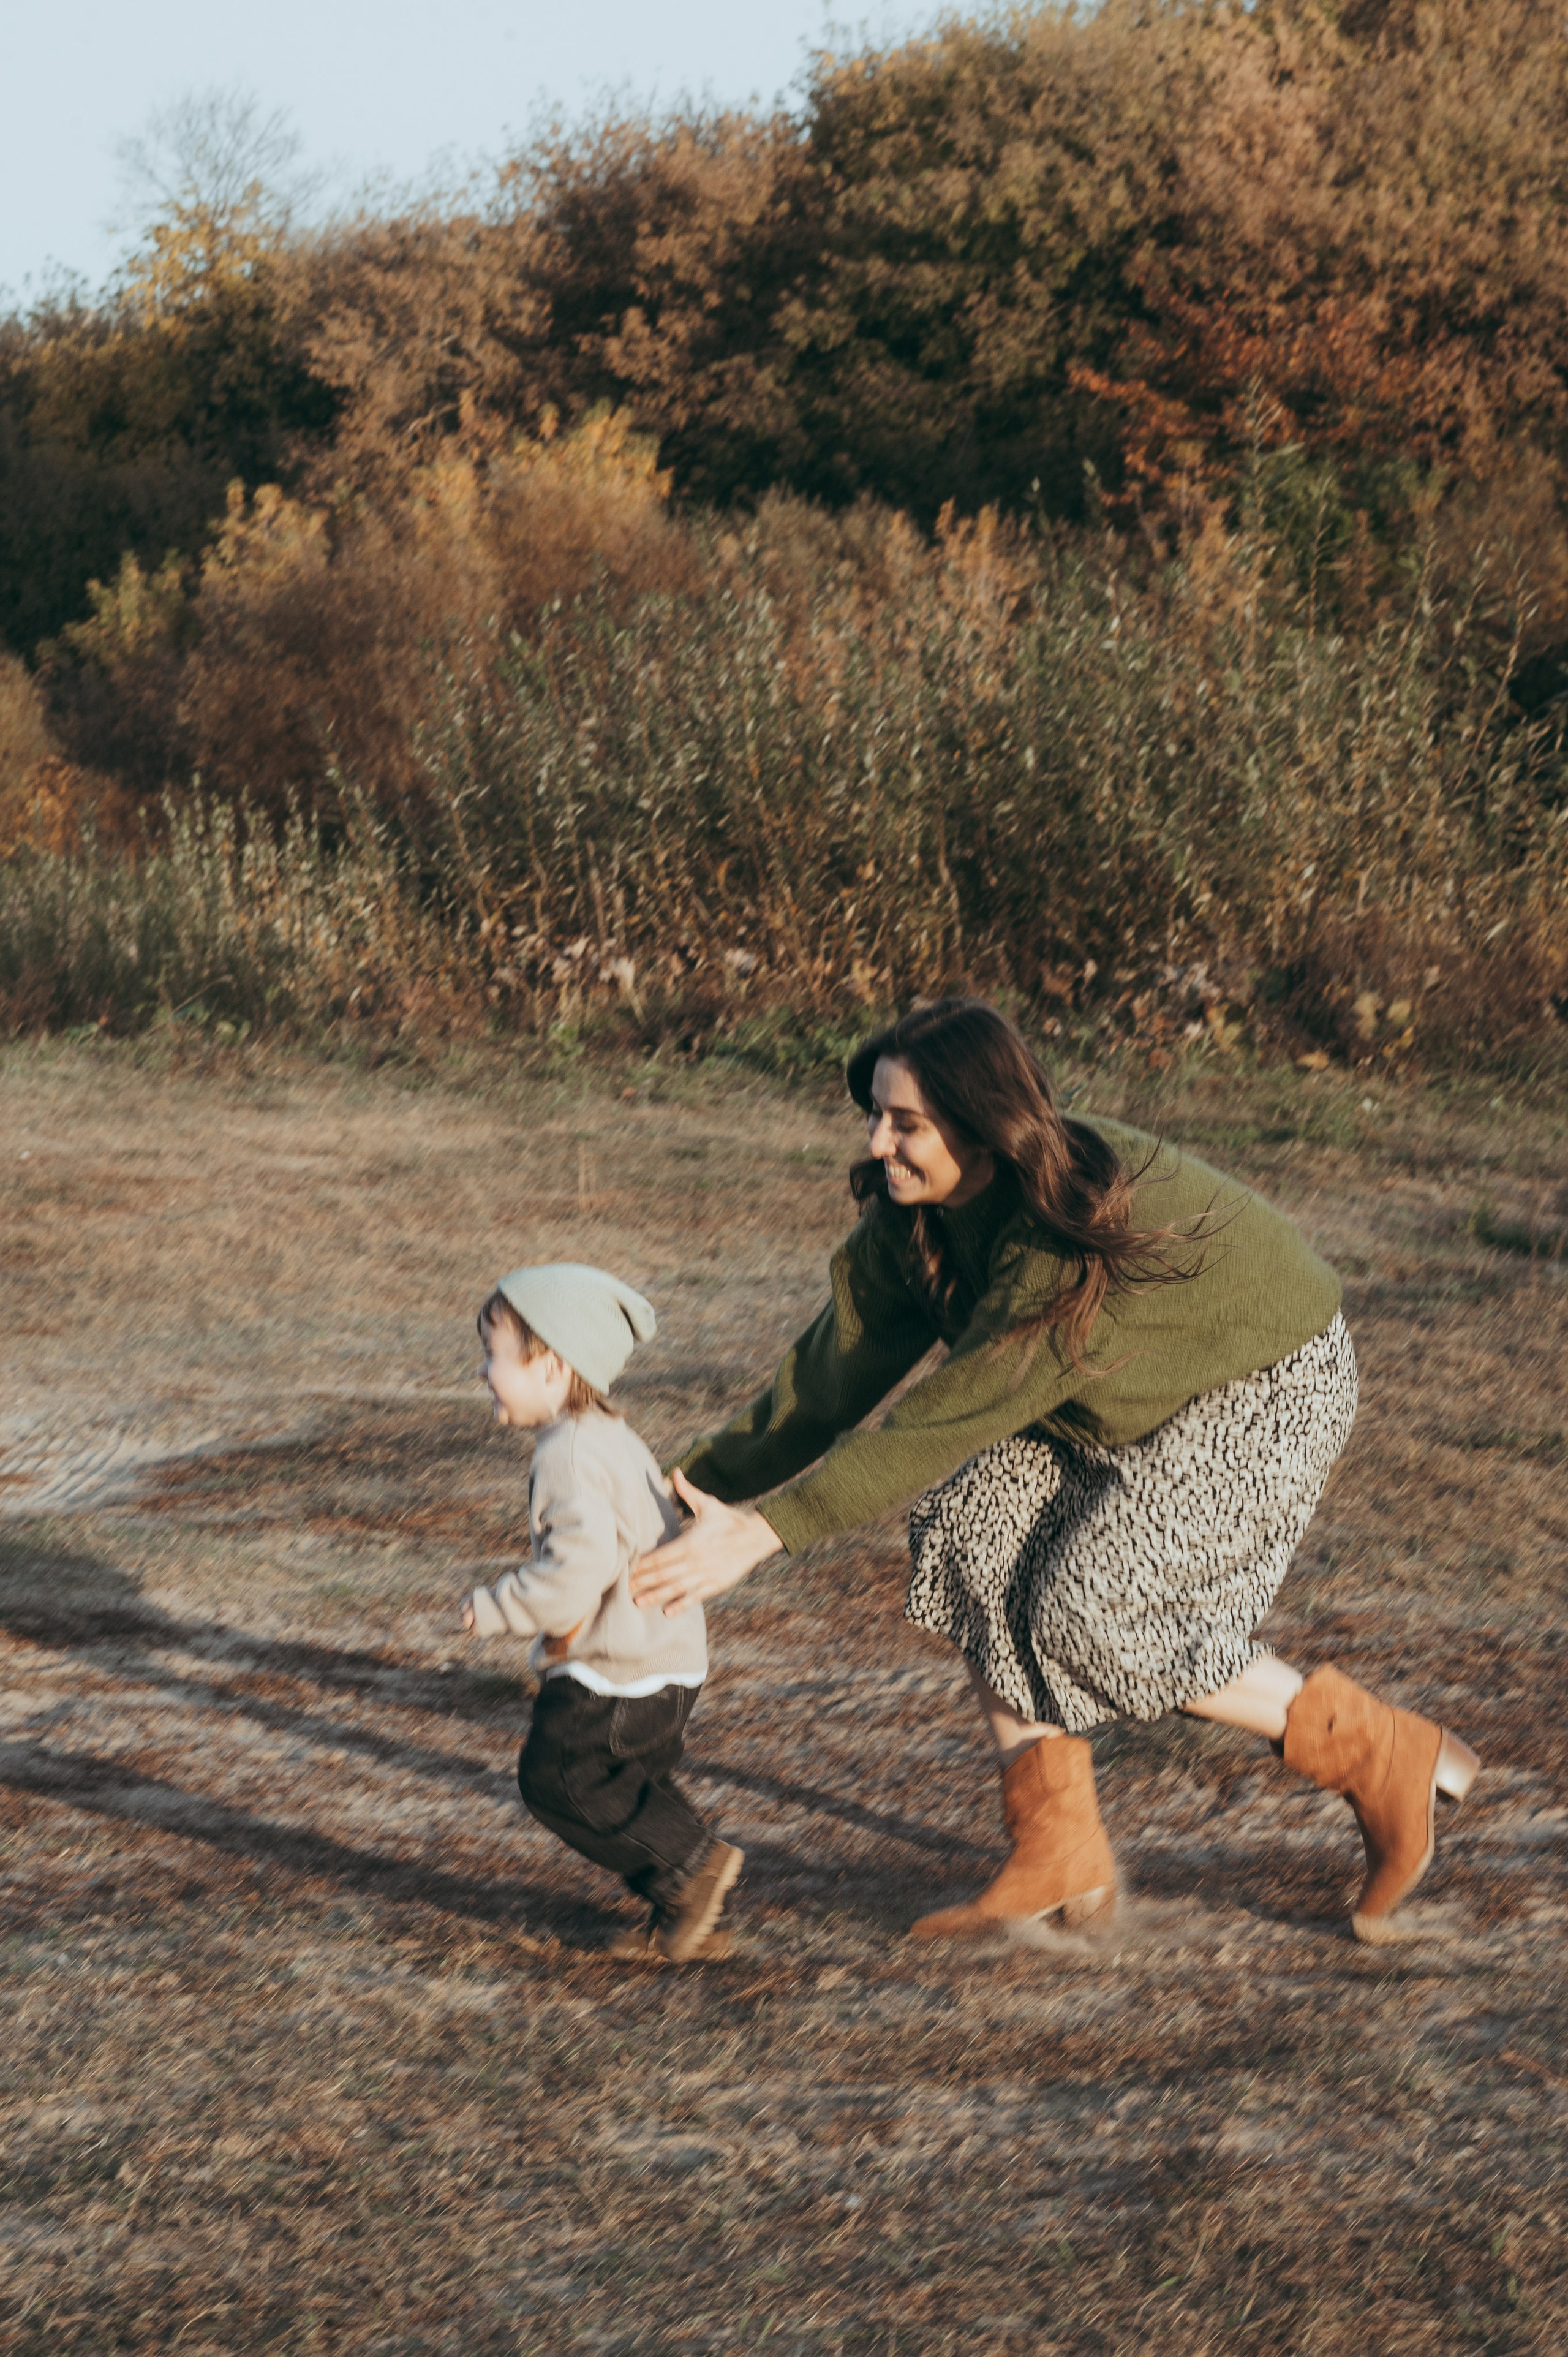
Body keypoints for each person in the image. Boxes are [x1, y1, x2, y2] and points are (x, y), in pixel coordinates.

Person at [634, 998, 1480, 1945]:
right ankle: (1056, 1847)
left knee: (1092, 1608)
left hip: (1263, 1378)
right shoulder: (916, 1221)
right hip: (1111, 1392)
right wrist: (666, 1487)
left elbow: (947, 1415)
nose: (878, 1142)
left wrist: (765, 1530)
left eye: (906, 1122)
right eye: (874, 1115)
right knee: (968, 1531)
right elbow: (827, 1382)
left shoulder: (1061, 1225)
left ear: (983, 1123)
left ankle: (1382, 1752)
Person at [462, 1262, 742, 1963]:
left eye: (494, 1357)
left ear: (553, 1367)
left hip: (617, 1669)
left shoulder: (571, 1453)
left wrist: (497, 1606)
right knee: (626, 1784)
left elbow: (575, 1574)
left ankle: (692, 1868)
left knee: (559, 1777)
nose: (482, 1372)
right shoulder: (608, 1436)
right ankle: (685, 1910)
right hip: (666, 1661)